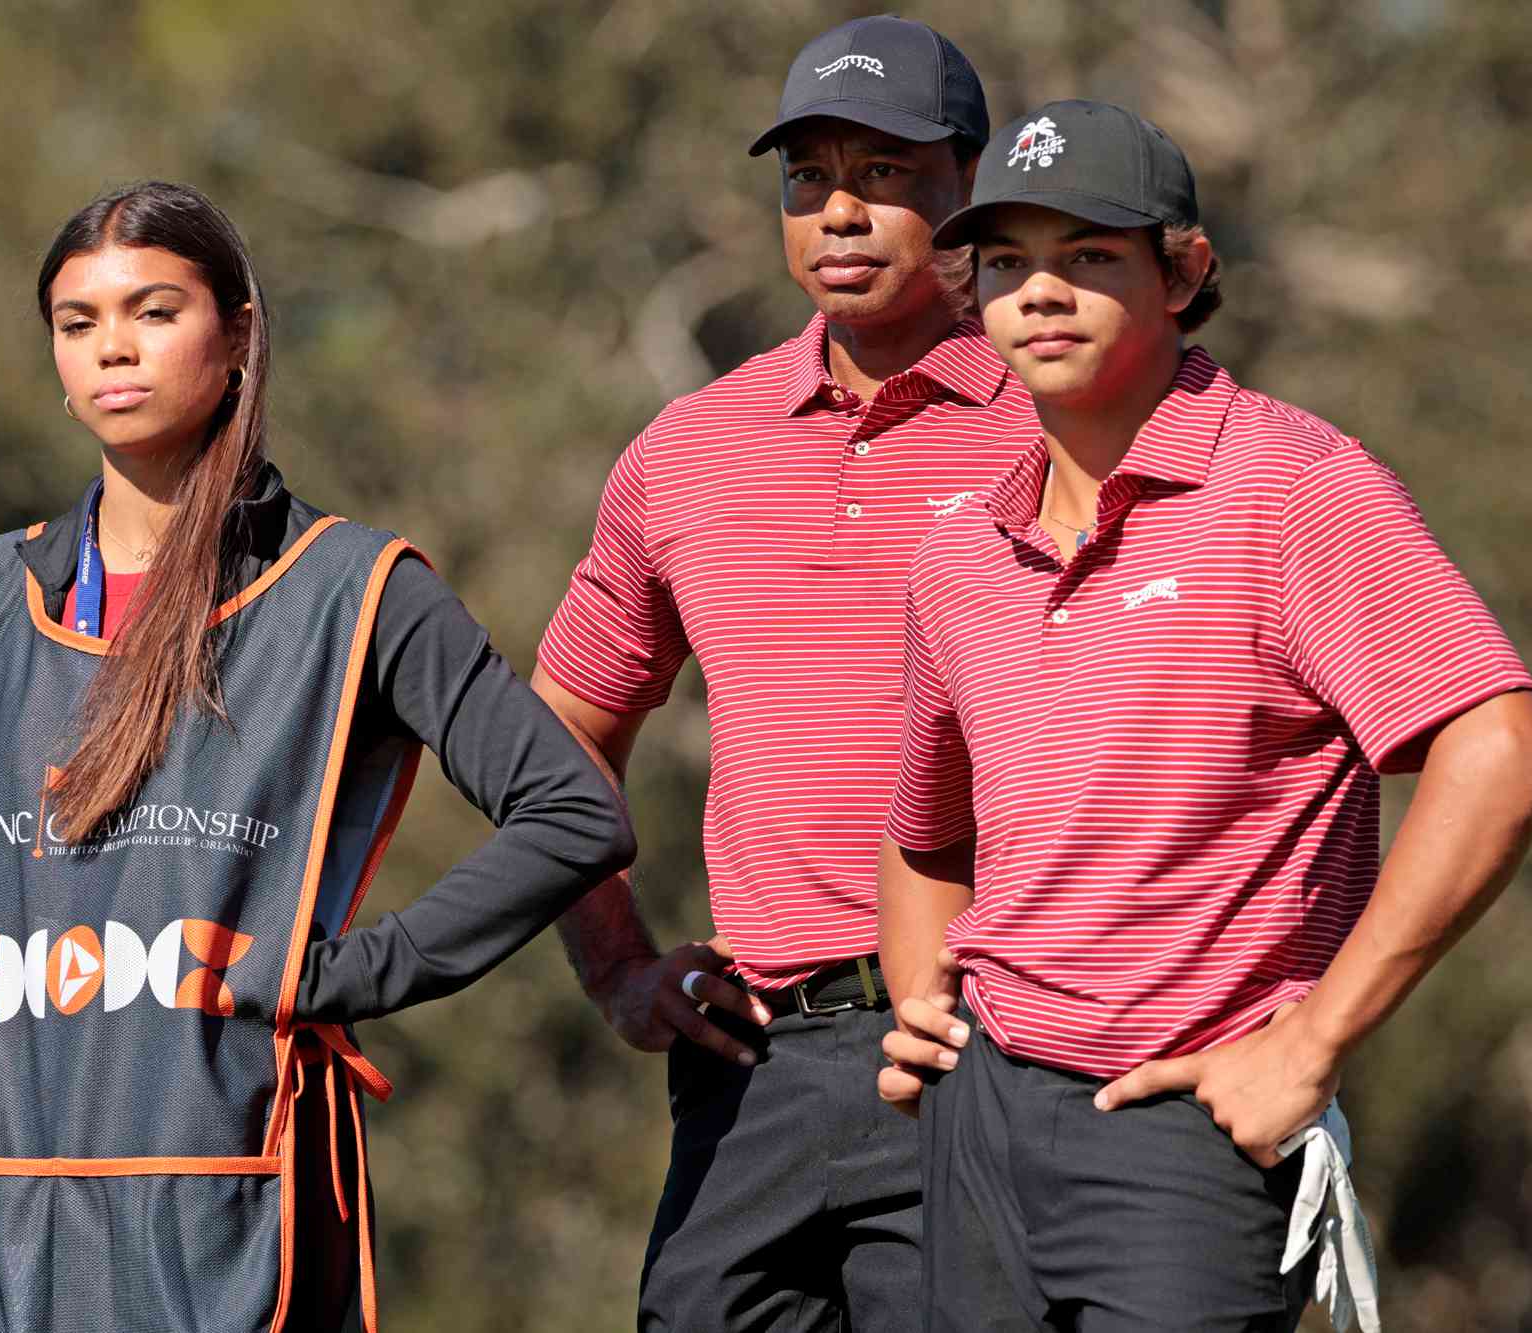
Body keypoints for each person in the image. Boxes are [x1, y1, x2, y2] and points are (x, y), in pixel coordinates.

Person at [0, 180, 635, 1333]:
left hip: (231, 1230)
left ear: (237, 333)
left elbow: (571, 815)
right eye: (76, 323)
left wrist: (349, 974)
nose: (111, 350)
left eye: (152, 311)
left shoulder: (355, 588)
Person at [877, 100, 1532, 1331]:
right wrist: (916, 1002)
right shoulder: (958, 552)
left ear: (1183, 272)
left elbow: (1503, 751)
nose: (1039, 293)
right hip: (977, 1124)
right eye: (1004, 264)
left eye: (1088, 255)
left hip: (1178, 1133)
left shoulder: (1293, 489)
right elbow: (925, 830)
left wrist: (1309, 1046)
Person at [530, 16, 1036, 1330]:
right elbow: (560, 733)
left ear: (968, 185)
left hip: (991, 1054)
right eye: (809, 178)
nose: (842, 210)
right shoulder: (689, 447)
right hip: (753, 1067)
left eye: (886, 172)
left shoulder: (1067, 417)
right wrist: (619, 968)